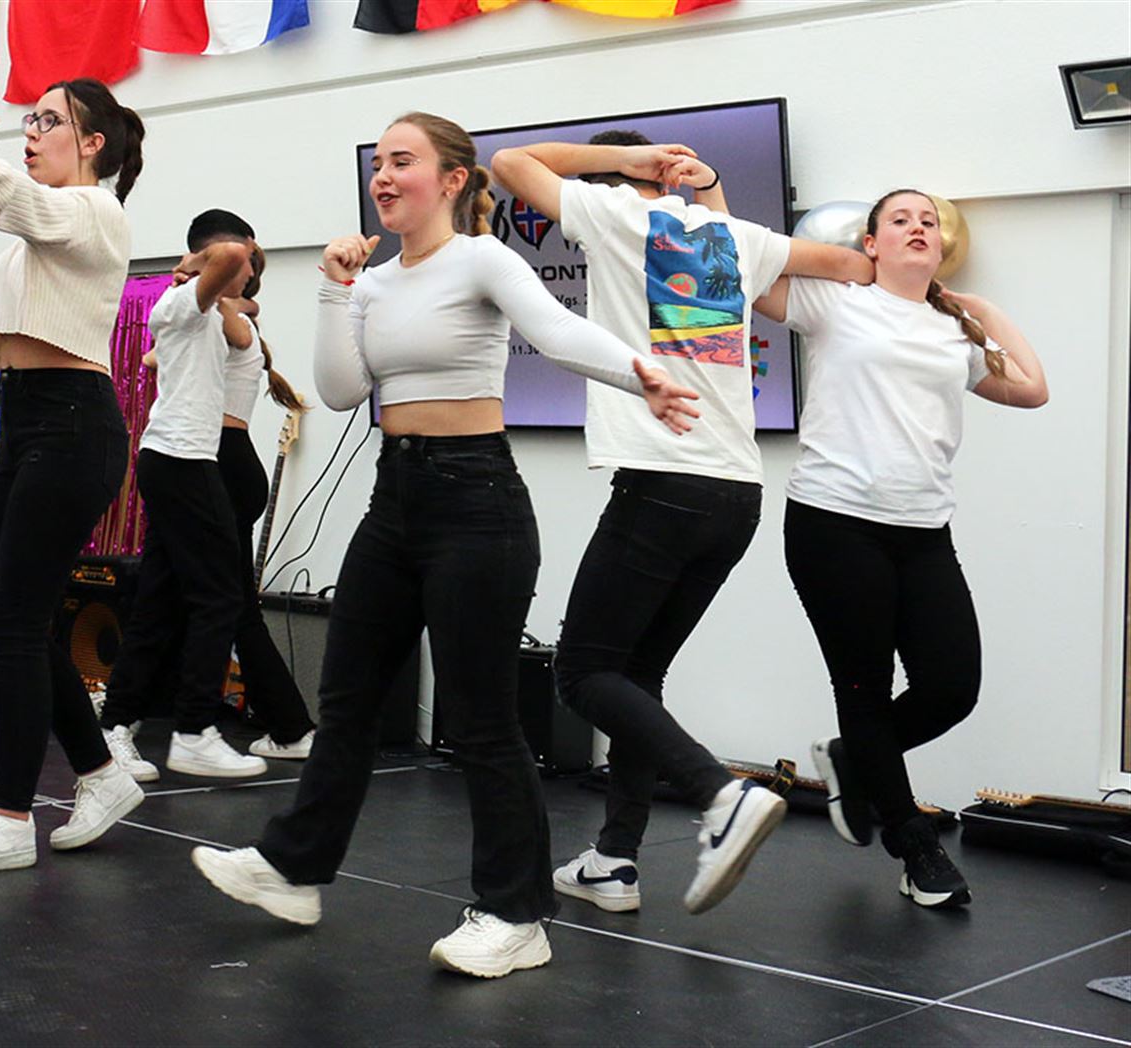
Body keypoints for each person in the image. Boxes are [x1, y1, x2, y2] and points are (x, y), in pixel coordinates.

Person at [191, 112, 699, 979]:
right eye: (379, 164)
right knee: (346, 701)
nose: (385, 177)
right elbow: (343, 390)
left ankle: (517, 914)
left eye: (404, 162)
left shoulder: (483, 259)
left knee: (480, 719)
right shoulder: (377, 284)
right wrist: (333, 289)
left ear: (453, 180)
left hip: (478, 501)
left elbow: (556, 330)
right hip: (396, 500)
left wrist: (638, 370)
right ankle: (294, 869)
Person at [491, 131, 874, 915]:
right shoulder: (730, 238)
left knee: (583, 671)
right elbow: (849, 265)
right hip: (736, 493)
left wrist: (620, 169)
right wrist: (713, 188)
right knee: (638, 676)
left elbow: (510, 165)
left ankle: (717, 795)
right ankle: (614, 860)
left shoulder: (614, 215)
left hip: (664, 483)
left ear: (617, 178)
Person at [754, 188, 1048, 908]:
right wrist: (842, 264)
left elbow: (1032, 389)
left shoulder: (954, 332)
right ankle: (912, 845)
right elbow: (748, 268)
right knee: (864, 686)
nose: (919, 228)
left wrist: (981, 309)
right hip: (833, 521)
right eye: (900, 220)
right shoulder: (835, 303)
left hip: (923, 530)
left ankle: (855, 759)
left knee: (953, 686)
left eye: (928, 222)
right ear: (871, 241)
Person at [0, 78, 146, 874]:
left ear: (93, 144)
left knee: (11, 620)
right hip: (25, 418)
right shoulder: (31, 237)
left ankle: (10, 816)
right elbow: (19, 221)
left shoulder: (95, 210)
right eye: (29, 120)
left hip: (73, 423)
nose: (33, 130)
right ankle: (103, 774)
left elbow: (27, 206)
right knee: (12, 615)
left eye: (50, 121)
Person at [97, 210, 269, 780]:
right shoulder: (177, 303)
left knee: (159, 599)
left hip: (184, 461)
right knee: (221, 596)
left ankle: (115, 724)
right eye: (238, 260)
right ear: (200, 259)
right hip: (180, 462)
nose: (246, 271)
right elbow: (230, 261)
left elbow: (240, 300)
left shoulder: (203, 311)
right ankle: (195, 729)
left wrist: (226, 290)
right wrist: (210, 263)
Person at [216, 246, 318, 760]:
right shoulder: (219, 314)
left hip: (224, 466)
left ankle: (292, 726)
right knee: (174, 598)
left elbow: (152, 356)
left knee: (234, 607)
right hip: (223, 465)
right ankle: (134, 715)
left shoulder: (227, 316)